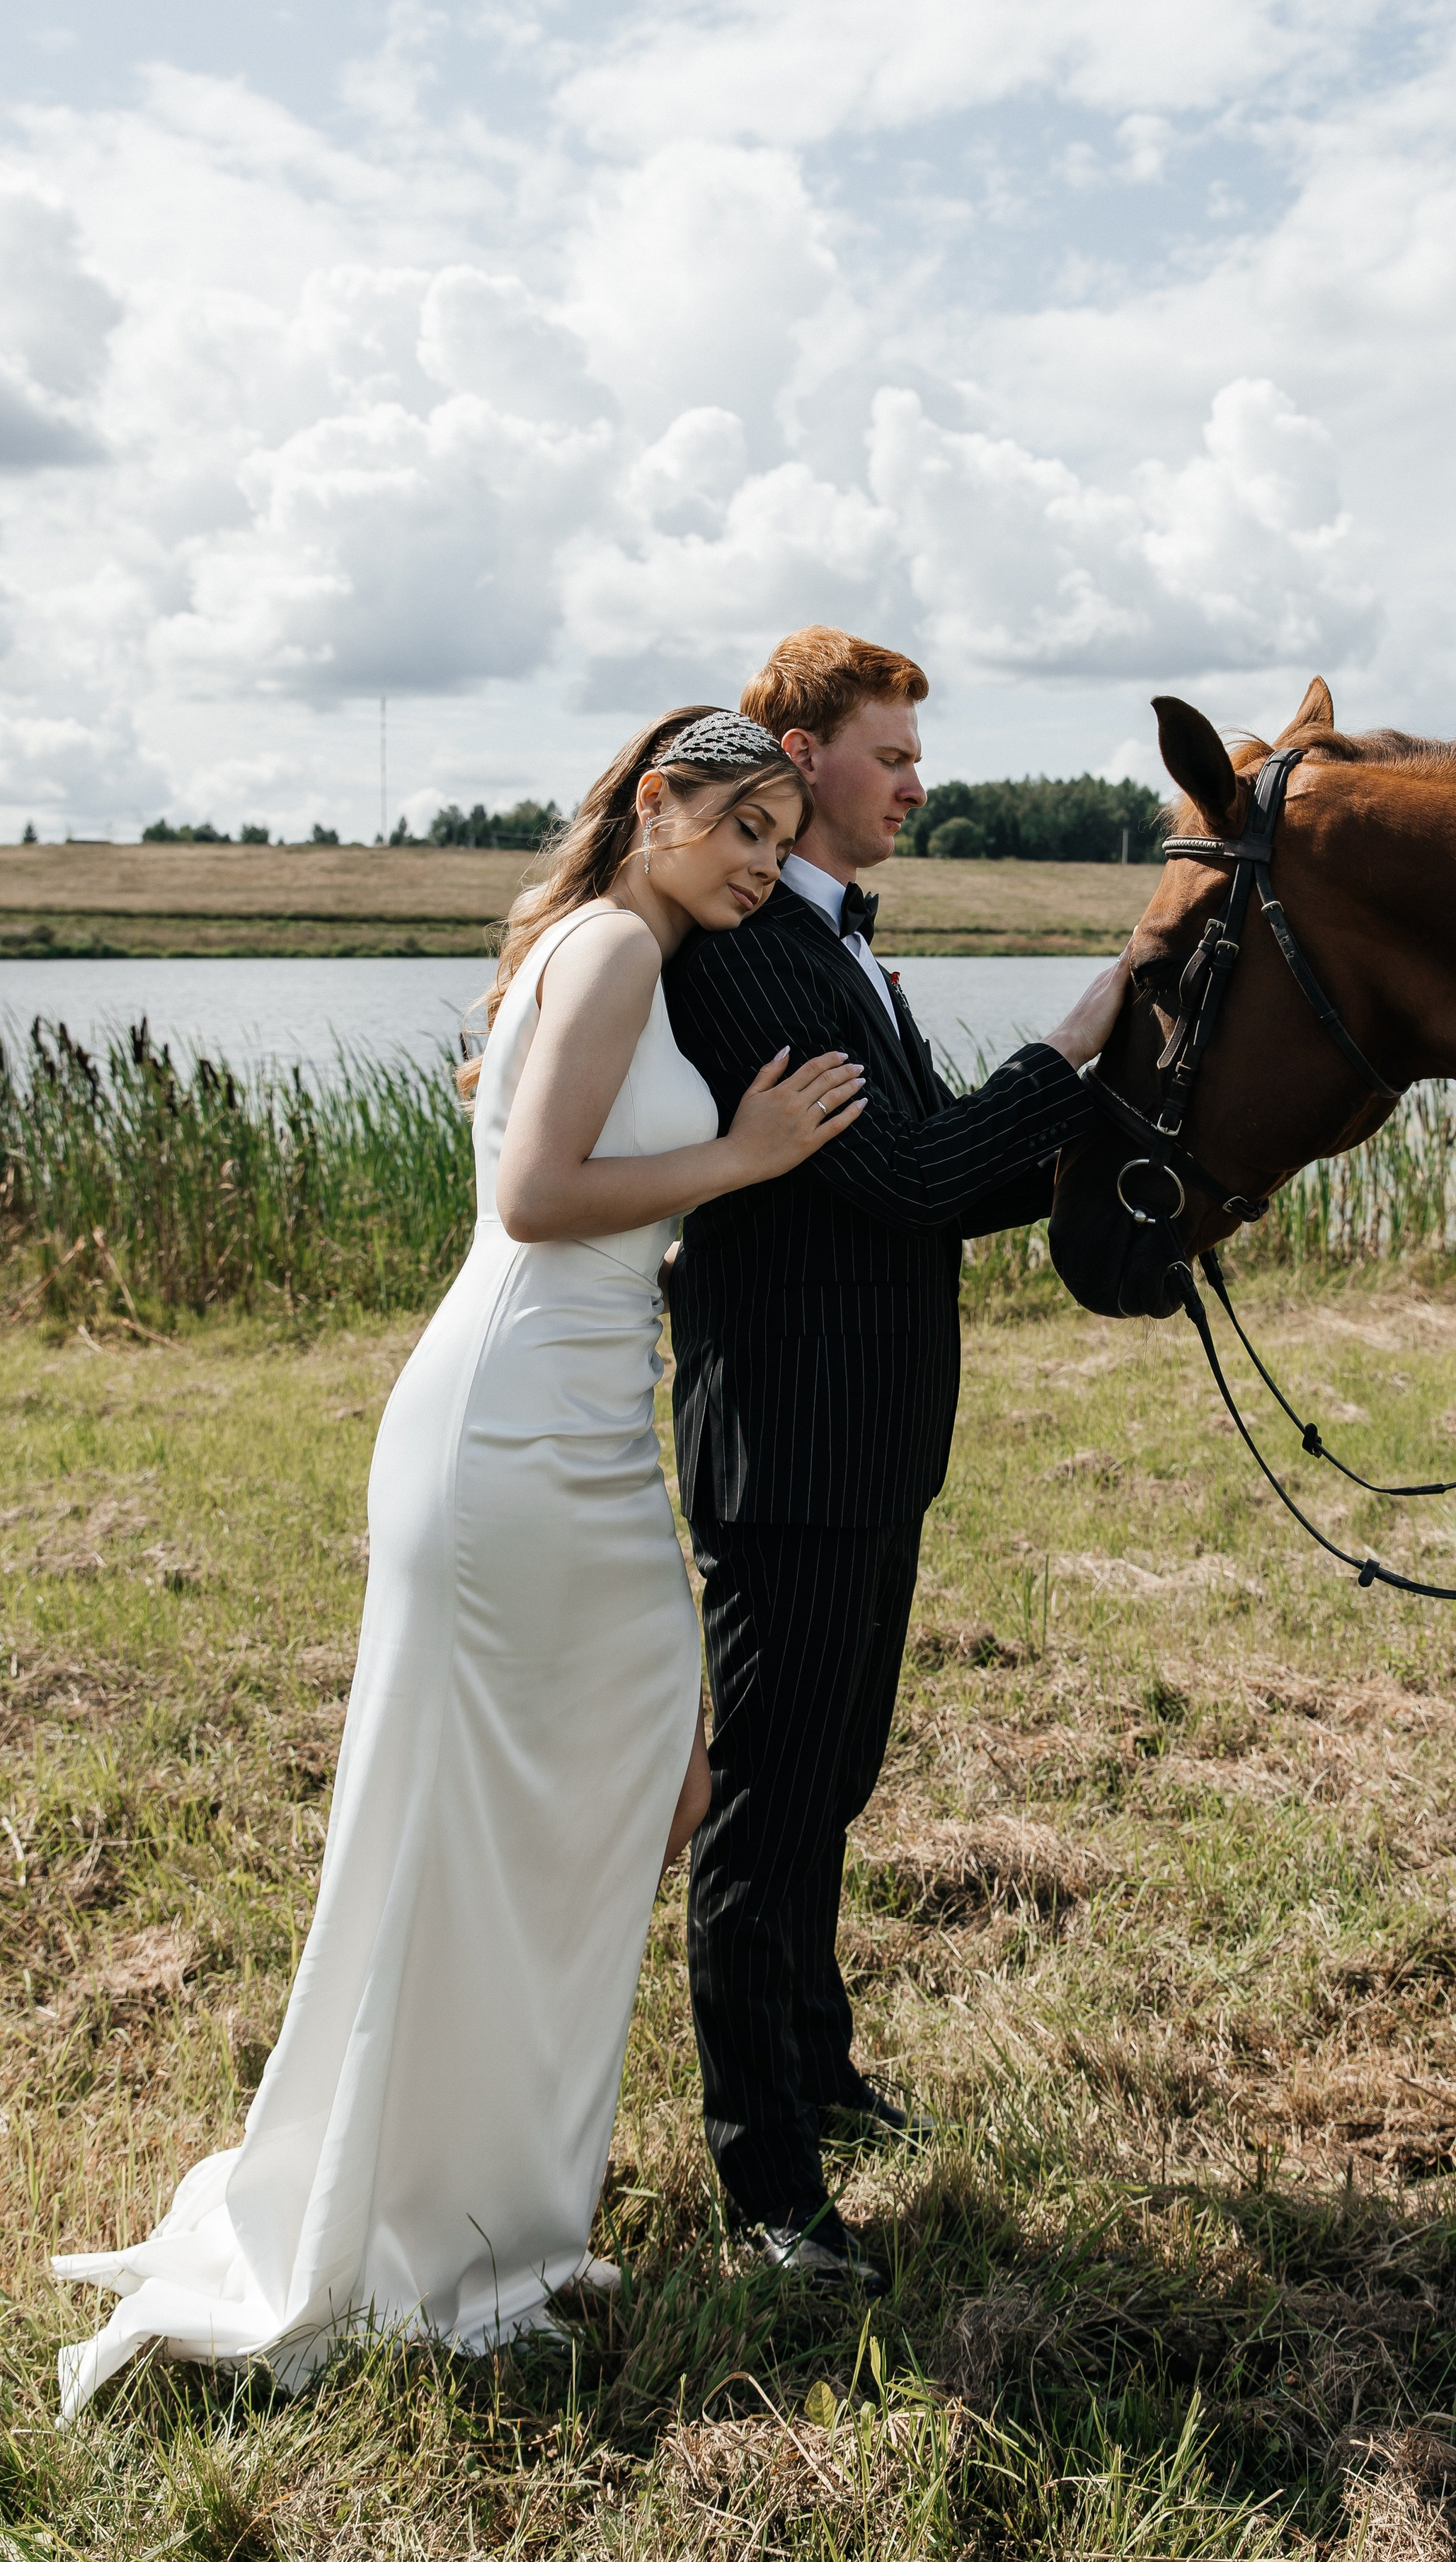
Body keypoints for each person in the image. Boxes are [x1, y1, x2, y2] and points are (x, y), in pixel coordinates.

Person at [50, 709, 864, 2417]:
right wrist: (747, 1153)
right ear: (658, 801)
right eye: (737, 823)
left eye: (783, 832)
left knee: (609, 1775)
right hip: (509, 1424)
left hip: (564, 1415)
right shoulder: (611, 950)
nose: (757, 860)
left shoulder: (609, 942)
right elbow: (534, 1191)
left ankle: (496, 2206)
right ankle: (449, 2229)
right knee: (557, 1787)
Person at [664, 627, 1131, 2285]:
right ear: (797, 763)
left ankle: (819, 2067)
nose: (917, 787)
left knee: (832, 1787)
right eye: (894, 757)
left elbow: (929, 1170)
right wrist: (1068, 1053)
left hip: (869, 1436)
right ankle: (769, 2184)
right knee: (767, 1813)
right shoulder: (742, 957)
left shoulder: (838, 943)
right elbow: (919, 1182)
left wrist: (1108, 1137)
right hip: (787, 1440)